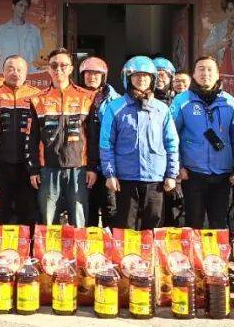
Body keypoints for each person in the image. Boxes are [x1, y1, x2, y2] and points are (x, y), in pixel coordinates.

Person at [99, 56, 180, 230]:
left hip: (155, 178)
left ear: (152, 79)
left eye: (146, 75)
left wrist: (171, 174)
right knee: (125, 228)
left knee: (154, 227)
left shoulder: (162, 109)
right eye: (136, 75)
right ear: (128, 78)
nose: (141, 79)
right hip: (126, 178)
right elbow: (106, 144)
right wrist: (110, 174)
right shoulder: (115, 107)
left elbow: (171, 143)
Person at [171, 55, 234, 229]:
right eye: (201, 69)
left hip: (222, 173)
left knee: (219, 223)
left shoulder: (229, 101)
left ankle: (218, 248)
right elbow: (172, 136)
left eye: (210, 69)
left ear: (218, 74)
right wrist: (178, 166)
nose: (206, 73)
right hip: (192, 172)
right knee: (193, 222)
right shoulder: (182, 101)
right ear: (194, 74)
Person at [28, 48, 95, 227]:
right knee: (49, 223)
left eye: (63, 65)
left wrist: (92, 167)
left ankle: (78, 246)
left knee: (79, 222)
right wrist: (33, 170)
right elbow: (32, 137)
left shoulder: (86, 97)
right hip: (48, 168)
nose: (58, 69)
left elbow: (93, 136)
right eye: (54, 66)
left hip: (78, 168)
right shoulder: (37, 99)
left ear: (71, 68)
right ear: (48, 69)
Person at [0, 55, 40, 225]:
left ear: (26, 73)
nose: (15, 73)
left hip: (28, 165)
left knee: (28, 211)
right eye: (10, 69)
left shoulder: (36, 95)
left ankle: (26, 242)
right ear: (2, 71)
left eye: (19, 69)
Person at [79, 56, 119, 228]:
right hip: (83, 160)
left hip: (107, 161)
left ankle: (111, 242)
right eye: (88, 73)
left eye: (96, 73)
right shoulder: (76, 96)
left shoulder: (116, 100)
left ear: (103, 76)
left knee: (110, 207)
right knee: (88, 208)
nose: (92, 77)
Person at [0, 0, 44, 68]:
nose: (23, 9)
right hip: (6, 72)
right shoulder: (1, 30)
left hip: (29, 73)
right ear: (13, 7)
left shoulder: (35, 31)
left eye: (26, 7)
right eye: (20, 5)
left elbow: (41, 54)